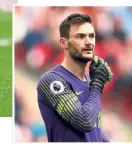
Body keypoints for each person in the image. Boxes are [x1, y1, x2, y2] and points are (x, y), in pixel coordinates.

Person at [37, 13, 113, 142]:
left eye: (91, 36)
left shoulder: (91, 82)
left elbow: (95, 135)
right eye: (80, 36)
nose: (88, 42)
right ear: (63, 43)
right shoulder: (52, 80)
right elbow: (83, 121)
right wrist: (98, 82)